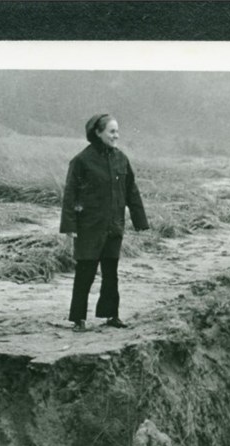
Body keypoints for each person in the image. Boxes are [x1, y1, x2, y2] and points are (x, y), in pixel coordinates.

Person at [60, 113, 149, 331]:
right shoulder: (81, 161)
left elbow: (131, 191)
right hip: (89, 227)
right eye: (111, 131)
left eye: (117, 131)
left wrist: (140, 221)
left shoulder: (121, 159)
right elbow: (70, 196)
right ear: (97, 133)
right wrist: (70, 227)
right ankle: (78, 319)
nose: (116, 136)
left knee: (111, 273)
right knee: (85, 273)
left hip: (114, 226)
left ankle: (111, 315)